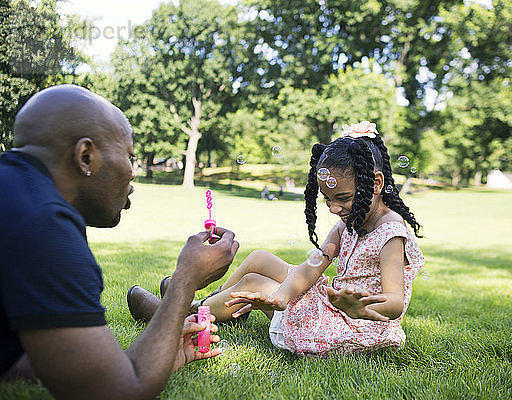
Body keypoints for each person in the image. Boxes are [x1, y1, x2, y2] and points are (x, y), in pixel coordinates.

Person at [0, 85, 239, 398]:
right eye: (129, 156)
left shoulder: (18, 196)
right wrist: (185, 281)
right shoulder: (43, 222)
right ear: (86, 156)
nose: (132, 175)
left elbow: (28, 357)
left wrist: (148, 356)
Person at [135, 121, 425, 356]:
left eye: (343, 199)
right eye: (327, 200)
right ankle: (214, 303)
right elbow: (311, 268)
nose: (334, 209)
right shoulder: (344, 226)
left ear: (375, 183)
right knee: (260, 258)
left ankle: (182, 315)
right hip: (335, 304)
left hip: (357, 323)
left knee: (253, 283)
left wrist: (360, 307)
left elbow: (395, 302)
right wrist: (282, 297)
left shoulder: (391, 234)